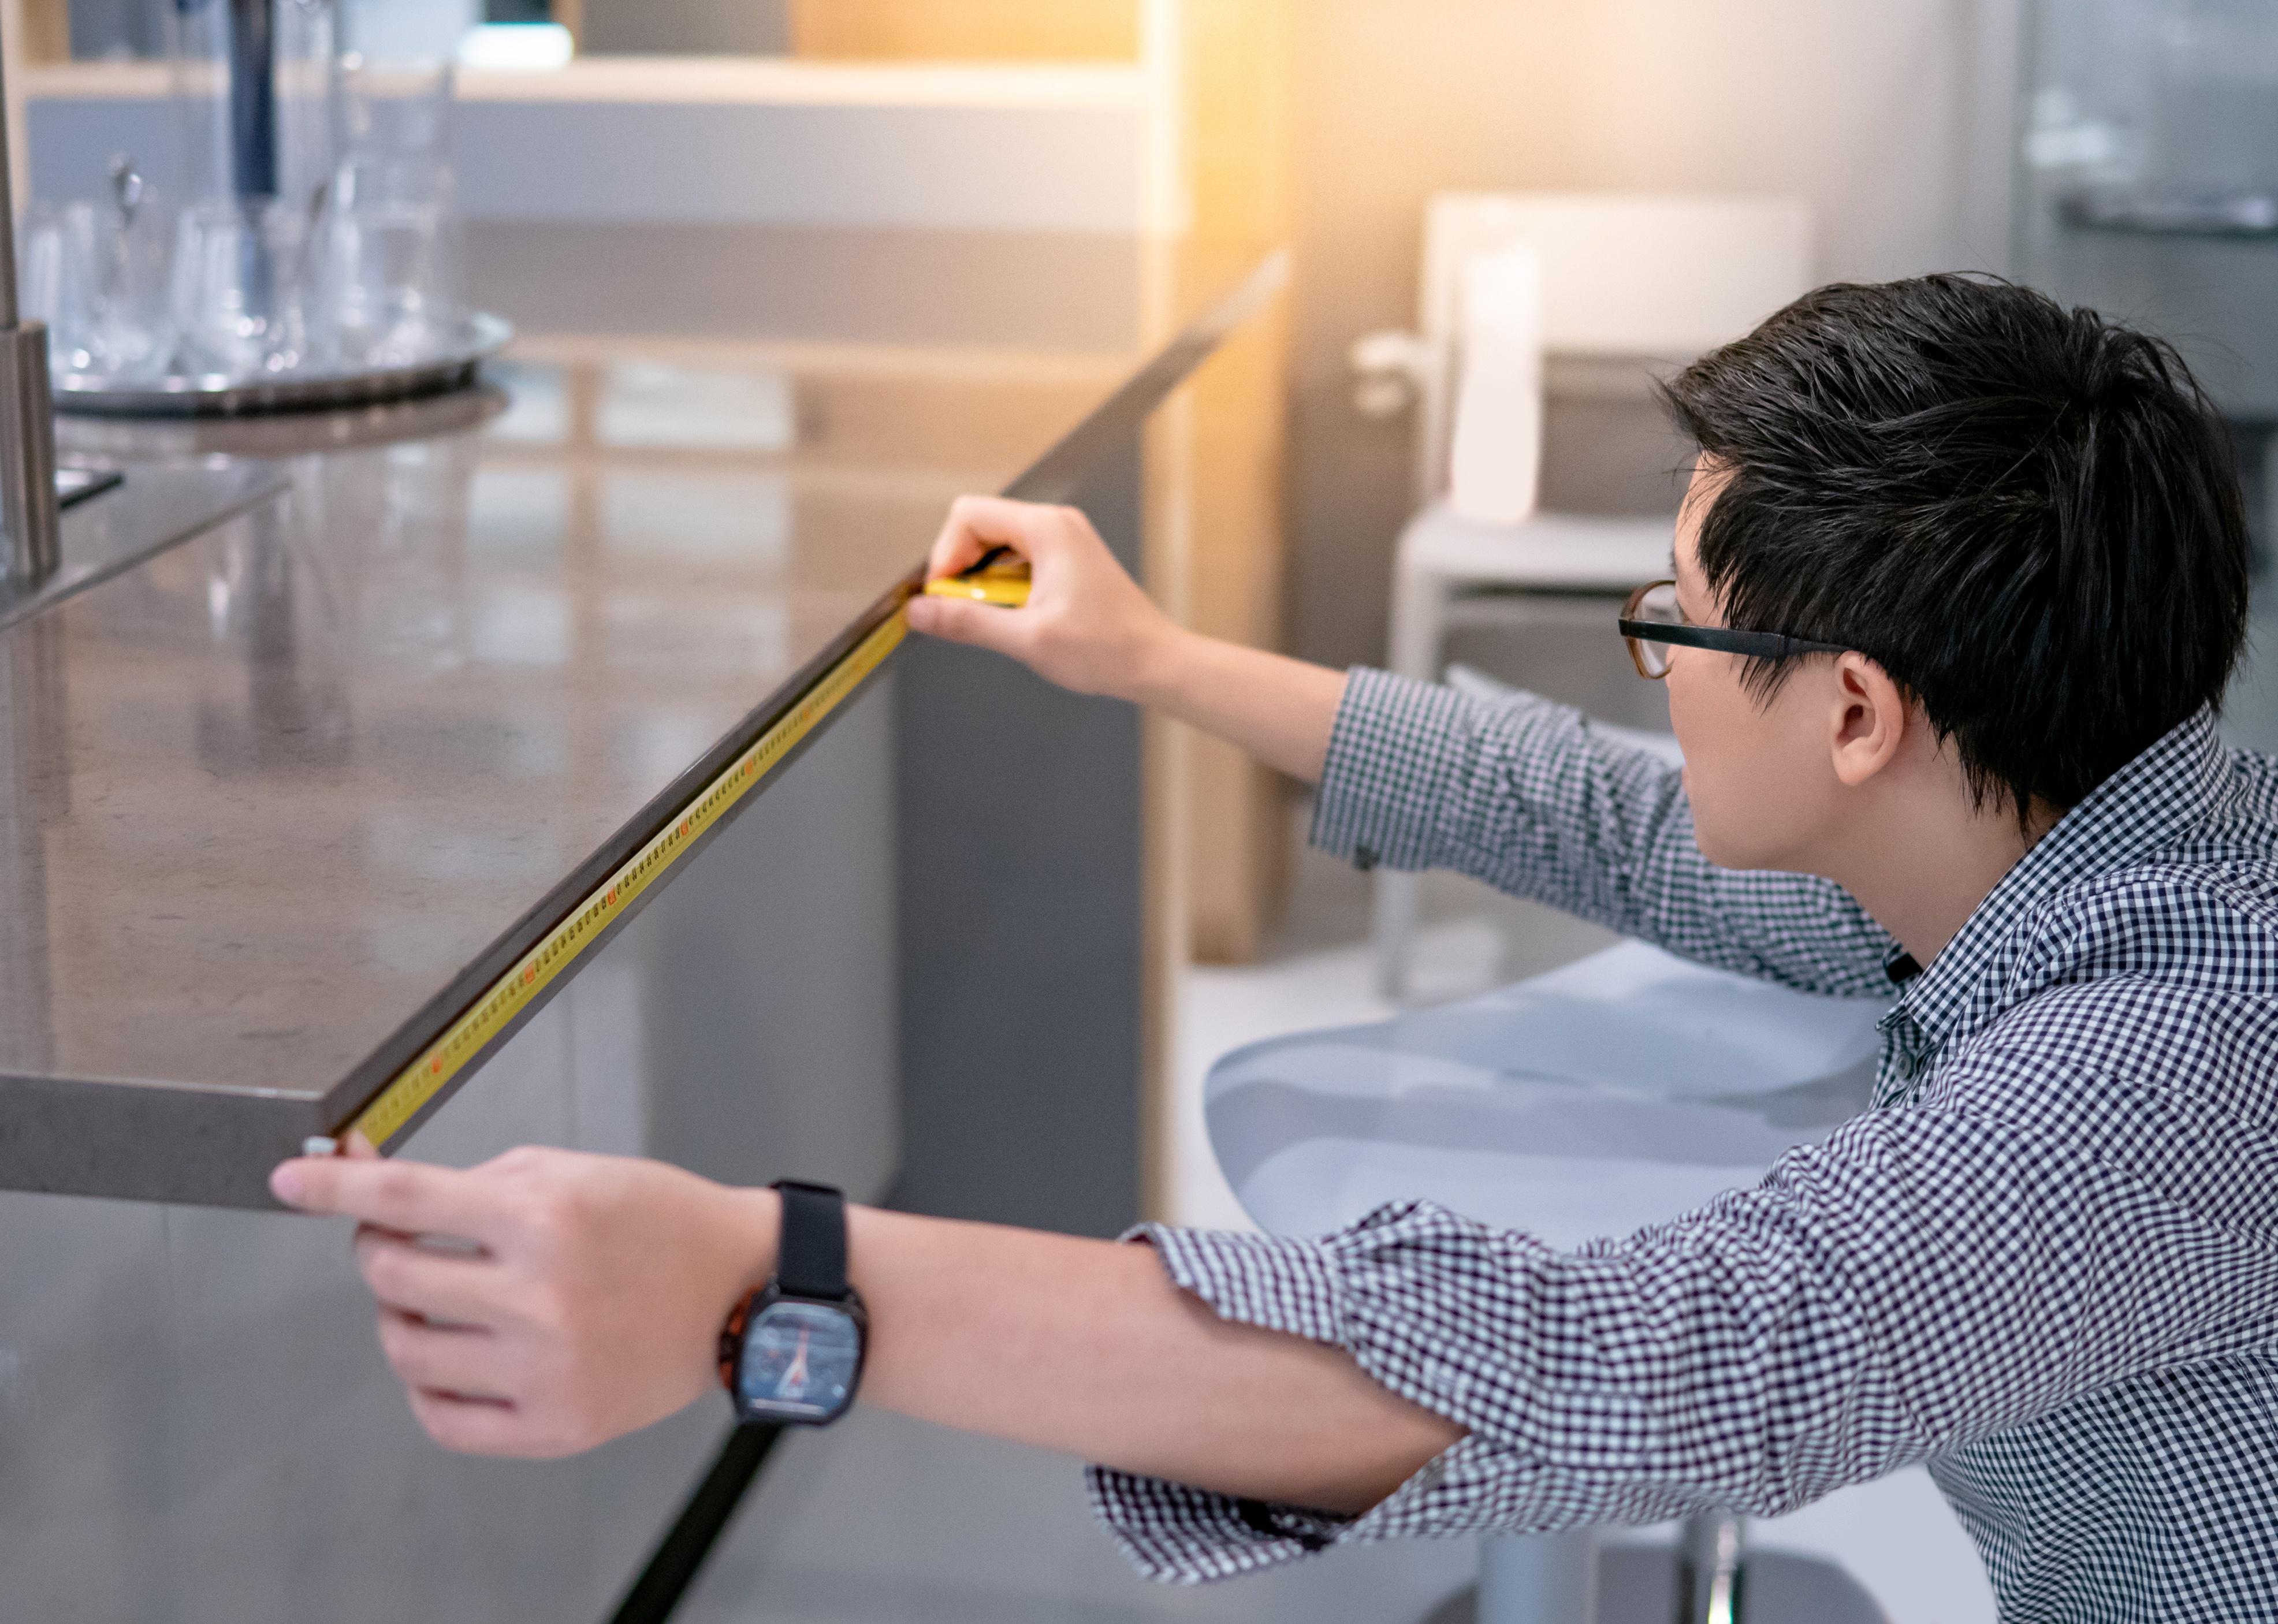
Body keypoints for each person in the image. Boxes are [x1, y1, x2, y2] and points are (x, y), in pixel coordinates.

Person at [272, 275, 2278, 1621]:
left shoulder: (2158, 1071)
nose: (1652, 676)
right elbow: (1602, 811)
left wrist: (774, 1281)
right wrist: (1142, 655)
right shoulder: (2070, 821)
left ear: (1855, 714)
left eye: (1675, 629)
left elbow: (1649, 1365)